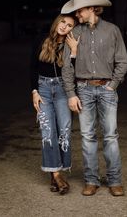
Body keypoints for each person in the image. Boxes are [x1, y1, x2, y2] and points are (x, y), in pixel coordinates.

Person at [61, 0, 127, 196]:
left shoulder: (112, 30)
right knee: (87, 136)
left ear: (92, 8)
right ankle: (91, 180)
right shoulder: (74, 33)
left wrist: (113, 84)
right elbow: (66, 66)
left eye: (79, 10)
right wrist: (71, 93)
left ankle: (115, 181)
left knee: (110, 136)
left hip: (107, 88)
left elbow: (123, 61)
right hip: (83, 90)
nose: (77, 15)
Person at [30, 14, 79, 195]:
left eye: (70, 25)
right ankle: (57, 175)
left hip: (62, 89)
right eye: (63, 22)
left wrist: (74, 52)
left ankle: (56, 172)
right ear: (57, 22)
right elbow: (32, 67)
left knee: (64, 129)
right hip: (43, 89)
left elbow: (73, 72)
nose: (65, 27)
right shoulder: (41, 39)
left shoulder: (70, 44)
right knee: (47, 131)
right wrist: (34, 91)